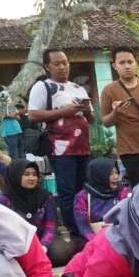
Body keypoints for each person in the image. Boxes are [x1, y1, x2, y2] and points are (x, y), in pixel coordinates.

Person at [27, 49, 92, 235]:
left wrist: (86, 110)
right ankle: (74, 231)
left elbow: (92, 119)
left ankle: (86, 227)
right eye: (57, 63)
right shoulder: (43, 87)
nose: (63, 67)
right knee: (67, 192)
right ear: (47, 66)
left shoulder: (78, 88)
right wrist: (64, 112)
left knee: (83, 191)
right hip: (60, 149)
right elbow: (33, 115)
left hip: (83, 147)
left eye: (65, 62)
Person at [100, 47, 139, 187]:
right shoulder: (109, 90)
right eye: (122, 63)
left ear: (136, 63)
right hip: (128, 149)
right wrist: (116, 113)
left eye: (130, 62)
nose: (127, 66)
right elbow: (105, 121)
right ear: (115, 66)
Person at [0, 159, 65, 264]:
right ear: (16, 175)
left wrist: (43, 245)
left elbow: (51, 226)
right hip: (16, 243)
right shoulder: (5, 200)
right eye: (26, 174)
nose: (32, 178)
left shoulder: (45, 197)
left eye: (34, 174)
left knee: (61, 251)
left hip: (41, 241)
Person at [74, 158, 129, 242]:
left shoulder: (122, 192)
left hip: (120, 238)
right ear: (100, 176)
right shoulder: (83, 196)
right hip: (93, 239)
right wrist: (97, 241)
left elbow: (128, 219)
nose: (116, 177)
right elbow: (83, 225)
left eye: (117, 173)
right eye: (111, 174)